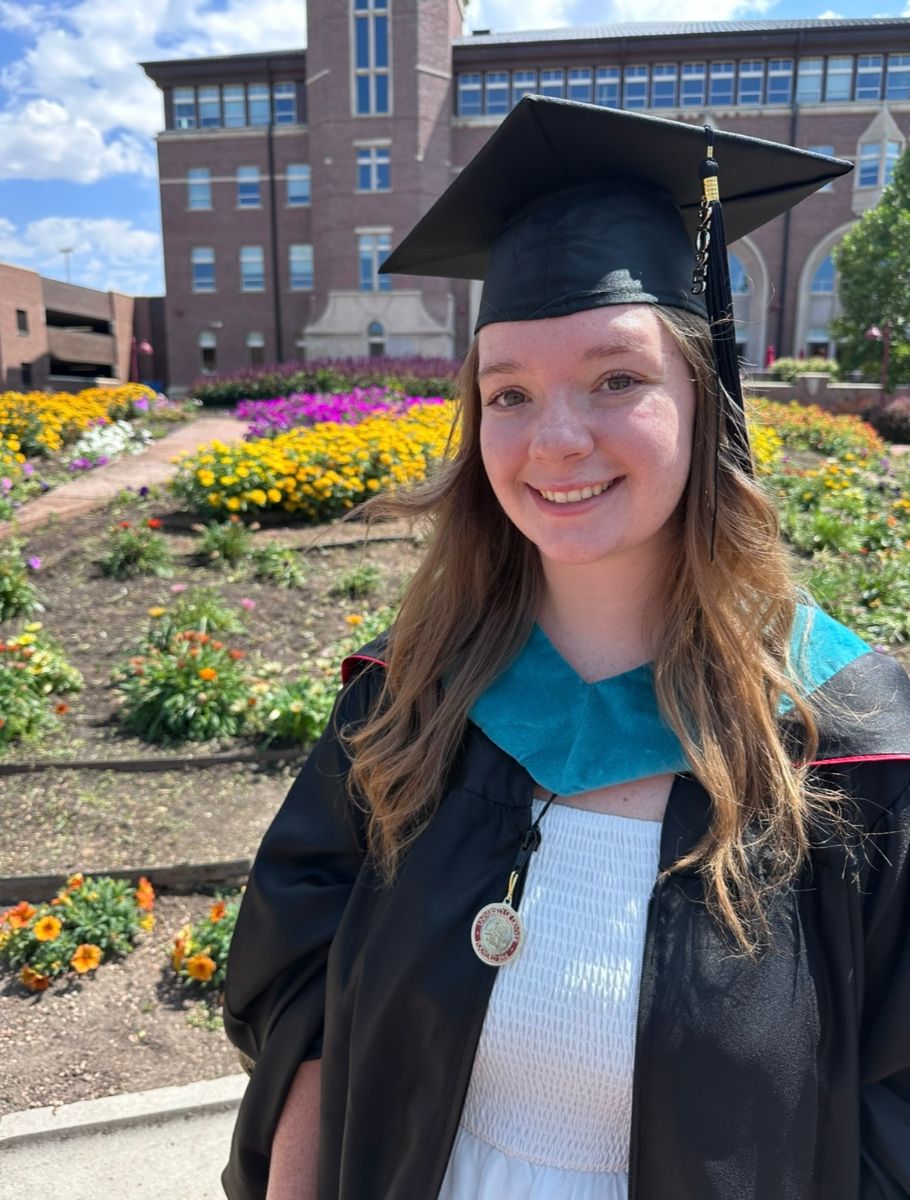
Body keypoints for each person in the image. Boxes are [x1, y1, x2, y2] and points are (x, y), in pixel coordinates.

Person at [221, 98, 910, 1200]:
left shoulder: (852, 749)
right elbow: (298, 1003)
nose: (555, 440)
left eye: (617, 379)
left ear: (706, 398)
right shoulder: (403, 709)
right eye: (508, 393)